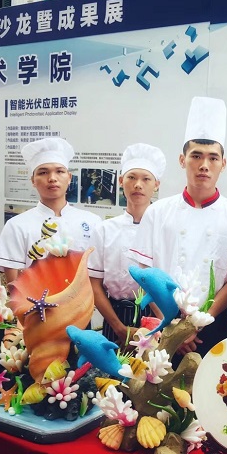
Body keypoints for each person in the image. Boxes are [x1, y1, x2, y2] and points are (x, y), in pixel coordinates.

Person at [128, 97, 227, 358]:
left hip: (213, 323)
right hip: (163, 321)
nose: (204, 165)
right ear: (182, 160)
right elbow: (144, 273)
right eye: (196, 156)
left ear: (223, 164)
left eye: (213, 158)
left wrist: (198, 322)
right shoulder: (157, 212)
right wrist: (172, 324)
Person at [0, 137, 101, 283]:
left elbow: (97, 279)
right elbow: (15, 286)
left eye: (60, 171)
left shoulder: (93, 221)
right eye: (43, 172)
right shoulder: (17, 225)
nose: (52, 178)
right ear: (33, 180)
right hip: (34, 298)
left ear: (69, 177)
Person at [88, 143, 166, 343]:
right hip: (115, 316)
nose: (138, 184)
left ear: (156, 184)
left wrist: (166, 323)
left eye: (146, 179)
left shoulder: (165, 229)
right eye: (131, 177)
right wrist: (119, 328)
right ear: (121, 181)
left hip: (157, 316)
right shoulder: (104, 230)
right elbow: (94, 284)